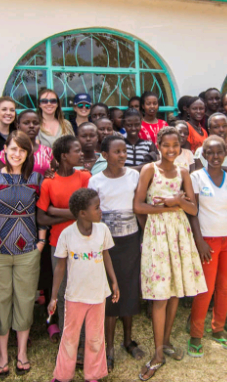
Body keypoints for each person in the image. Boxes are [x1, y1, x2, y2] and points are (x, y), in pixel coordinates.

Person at [135, 127, 206, 381]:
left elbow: (194, 210)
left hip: (179, 234)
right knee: (160, 294)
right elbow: (138, 205)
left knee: (175, 289)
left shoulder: (184, 172)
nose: (171, 150)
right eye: (166, 145)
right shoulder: (149, 170)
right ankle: (157, 353)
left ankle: (165, 341)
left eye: (176, 145)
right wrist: (167, 206)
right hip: (157, 236)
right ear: (157, 145)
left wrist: (176, 202)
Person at [0, 132, 45, 377]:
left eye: (22, 151)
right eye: (13, 149)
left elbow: (41, 213)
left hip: (28, 252)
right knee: (0, 301)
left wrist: (40, 243)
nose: (17, 154)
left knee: (25, 301)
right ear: (4, 149)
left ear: (28, 154)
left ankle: (22, 353)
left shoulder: (36, 178)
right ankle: (3, 356)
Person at [49, 188, 119, 382]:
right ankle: (63, 376)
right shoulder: (67, 235)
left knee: (95, 338)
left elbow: (106, 255)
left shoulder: (103, 230)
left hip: (97, 295)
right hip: (75, 296)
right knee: (69, 338)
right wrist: (54, 296)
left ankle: (93, 374)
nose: (100, 211)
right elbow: (60, 267)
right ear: (82, 213)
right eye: (96, 208)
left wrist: (114, 282)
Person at [187, 136, 227, 355]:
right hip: (208, 242)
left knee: (224, 288)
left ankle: (218, 329)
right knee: (205, 289)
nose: (215, 157)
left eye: (219, 153)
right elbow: (192, 213)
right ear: (203, 155)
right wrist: (199, 241)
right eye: (210, 153)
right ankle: (196, 335)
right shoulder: (196, 178)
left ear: (226, 154)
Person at [89, 135, 146, 369]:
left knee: (130, 289)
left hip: (131, 241)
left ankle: (128, 340)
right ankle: (109, 347)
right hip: (106, 245)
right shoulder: (95, 181)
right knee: (111, 293)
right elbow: (93, 213)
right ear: (104, 155)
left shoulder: (134, 176)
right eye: (117, 152)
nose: (122, 155)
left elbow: (139, 206)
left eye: (124, 151)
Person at [37, 135, 92, 337]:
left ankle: (85, 335)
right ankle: (68, 336)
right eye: (76, 151)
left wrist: (56, 211)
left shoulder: (85, 177)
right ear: (64, 156)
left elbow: (90, 211)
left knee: (84, 291)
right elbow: (41, 217)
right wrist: (74, 213)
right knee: (62, 291)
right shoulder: (49, 182)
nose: (81, 153)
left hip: (85, 242)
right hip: (58, 244)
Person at [0, 110, 54, 177]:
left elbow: (54, 173)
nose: (31, 126)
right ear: (18, 126)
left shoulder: (48, 151)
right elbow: (1, 178)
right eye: (26, 123)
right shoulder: (6, 153)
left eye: (35, 123)